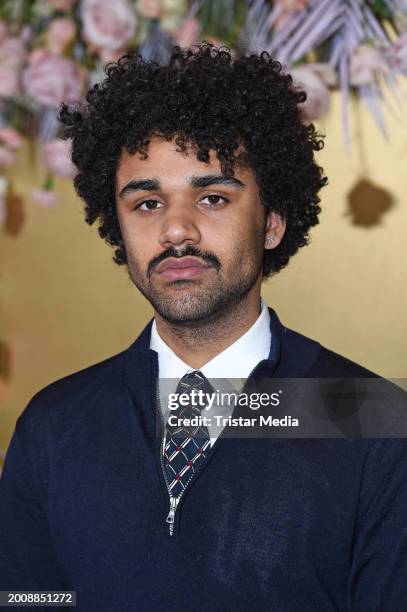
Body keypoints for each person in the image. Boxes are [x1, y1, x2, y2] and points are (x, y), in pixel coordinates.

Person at [0, 43, 406, 611]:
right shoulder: (53, 426)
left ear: (271, 223)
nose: (176, 230)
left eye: (212, 198)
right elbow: (28, 600)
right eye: (147, 204)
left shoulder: (375, 425)